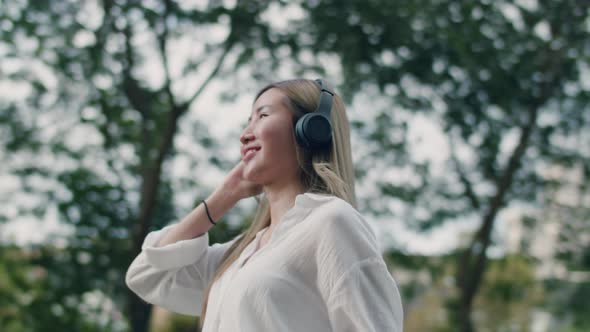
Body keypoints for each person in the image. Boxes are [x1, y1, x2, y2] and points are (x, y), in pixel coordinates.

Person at [126, 78, 404, 331]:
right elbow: (147, 275)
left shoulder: (332, 221)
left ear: (309, 130)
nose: (245, 134)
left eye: (263, 115)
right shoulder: (240, 256)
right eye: (248, 121)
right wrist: (225, 196)